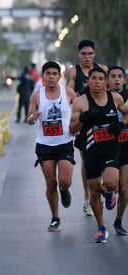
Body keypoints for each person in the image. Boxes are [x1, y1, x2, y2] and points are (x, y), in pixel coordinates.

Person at [70, 67, 128, 243]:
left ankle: (109, 190)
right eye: (93, 78)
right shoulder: (80, 102)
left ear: (106, 82)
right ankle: (101, 227)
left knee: (112, 182)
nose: (97, 82)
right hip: (91, 150)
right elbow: (72, 129)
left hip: (111, 148)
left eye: (101, 79)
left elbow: (125, 113)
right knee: (94, 192)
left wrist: (122, 125)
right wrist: (82, 120)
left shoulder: (115, 98)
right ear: (88, 81)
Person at [27, 61, 76, 232]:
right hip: (45, 145)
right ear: (43, 76)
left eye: (54, 74)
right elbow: (29, 119)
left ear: (59, 76)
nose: (51, 77)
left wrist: (77, 126)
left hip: (65, 143)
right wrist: (33, 117)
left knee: (64, 181)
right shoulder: (36, 95)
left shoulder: (68, 92)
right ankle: (55, 218)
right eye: (48, 74)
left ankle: (65, 190)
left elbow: (80, 111)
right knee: (50, 183)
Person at [66, 39, 108, 216]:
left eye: (90, 53)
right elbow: (68, 92)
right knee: (87, 160)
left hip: (102, 120)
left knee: (107, 155)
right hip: (84, 121)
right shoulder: (74, 71)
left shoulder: (103, 70)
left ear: (94, 54)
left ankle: (106, 187)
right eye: (84, 54)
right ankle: (87, 198)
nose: (87, 57)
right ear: (78, 54)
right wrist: (73, 96)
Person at [107, 66, 128, 235]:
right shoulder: (102, 98)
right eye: (113, 76)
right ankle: (106, 190)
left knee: (123, 188)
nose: (116, 79)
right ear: (108, 80)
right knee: (110, 184)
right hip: (107, 148)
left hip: (126, 147)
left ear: (124, 80)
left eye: (119, 76)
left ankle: (118, 221)